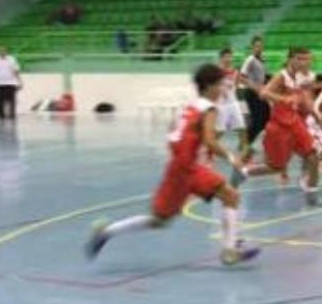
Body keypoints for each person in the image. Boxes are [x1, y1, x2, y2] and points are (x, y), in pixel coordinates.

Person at [86, 64, 258, 266]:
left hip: (179, 167)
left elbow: (173, 135)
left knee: (162, 220)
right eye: (220, 85)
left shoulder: (191, 107)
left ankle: (107, 231)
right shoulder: (209, 109)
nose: (223, 89)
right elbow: (210, 140)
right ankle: (229, 251)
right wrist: (232, 158)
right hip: (189, 169)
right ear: (209, 86)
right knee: (227, 197)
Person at [248, 48, 321, 204]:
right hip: (279, 127)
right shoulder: (282, 76)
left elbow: (301, 102)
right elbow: (263, 93)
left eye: (307, 59)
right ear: (290, 59)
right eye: (300, 58)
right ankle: (244, 171)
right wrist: (282, 98)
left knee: (313, 156)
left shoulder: (299, 78)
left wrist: (313, 113)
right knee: (276, 167)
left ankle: (312, 194)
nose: (304, 62)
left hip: (295, 124)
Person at [215, 48, 248, 156]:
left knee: (242, 128)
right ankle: (207, 148)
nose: (229, 59)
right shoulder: (216, 71)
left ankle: (244, 153)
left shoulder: (235, 71)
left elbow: (238, 85)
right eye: (226, 57)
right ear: (221, 58)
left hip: (233, 103)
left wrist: (242, 102)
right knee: (220, 131)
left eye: (230, 56)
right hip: (221, 105)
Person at [240, 36, 270, 147]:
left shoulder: (262, 59)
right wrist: (255, 87)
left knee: (267, 116)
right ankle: (246, 143)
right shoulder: (250, 59)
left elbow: (265, 77)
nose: (259, 48)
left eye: (261, 46)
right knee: (257, 120)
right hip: (251, 93)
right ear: (252, 47)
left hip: (261, 93)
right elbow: (242, 77)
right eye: (257, 46)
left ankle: (248, 141)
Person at [0, 47, 21, 119]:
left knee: (12, 100)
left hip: (11, 83)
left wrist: (19, 81)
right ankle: (1, 115)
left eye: (4, 51)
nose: (2, 52)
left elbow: (16, 71)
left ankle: (12, 114)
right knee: (0, 101)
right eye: (0, 51)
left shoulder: (12, 59)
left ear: (6, 52)